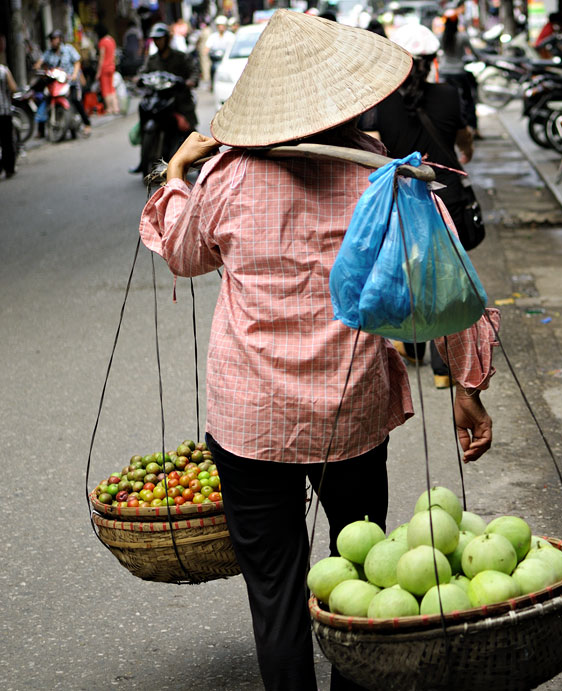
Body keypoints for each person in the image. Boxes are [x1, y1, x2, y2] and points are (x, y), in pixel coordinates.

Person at [138, 11, 496, 690]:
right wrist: (469, 384)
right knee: (362, 578)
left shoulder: (227, 177)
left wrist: (178, 173)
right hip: (351, 413)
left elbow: (182, 254)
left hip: (250, 423)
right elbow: (448, 281)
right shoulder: (384, 177)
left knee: (275, 591)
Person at [360, 23, 479, 389]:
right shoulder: (447, 94)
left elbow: (373, 153)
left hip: (403, 203)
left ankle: (413, 348)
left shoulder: (379, 101)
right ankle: (445, 369)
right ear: (432, 61)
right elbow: (464, 142)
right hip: (449, 200)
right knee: (445, 278)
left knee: (410, 275)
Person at [130, 23, 199, 175]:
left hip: (178, 99)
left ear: (167, 39)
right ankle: (144, 160)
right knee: (143, 109)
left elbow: (193, 71)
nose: (158, 42)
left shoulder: (180, 57)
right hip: (158, 98)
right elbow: (143, 72)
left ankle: (201, 160)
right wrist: (138, 79)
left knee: (189, 129)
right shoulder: (152, 59)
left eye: (160, 39)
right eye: (155, 39)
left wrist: (190, 81)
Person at [35, 30, 91, 136]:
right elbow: (40, 62)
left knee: (75, 100)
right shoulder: (48, 53)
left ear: (60, 39)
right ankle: (40, 130)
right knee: (44, 100)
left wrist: (74, 75)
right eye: (51, 40)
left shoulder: (68, 50)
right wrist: (38, 66)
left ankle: (87, 124)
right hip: (55, 83)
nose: (52, 42)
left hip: (70, 82)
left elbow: (77, 62)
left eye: (54, 39)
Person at [439, 10, 478, 134]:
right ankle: (474, 128)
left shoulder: (440, 37)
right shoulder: (463, 36)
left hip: (444, 73)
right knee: (468, 100)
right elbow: (474, 52)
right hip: (459, 73)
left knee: (443, 100)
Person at [0, 42, 18, 179]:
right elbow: (13, 88)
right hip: (4, 111)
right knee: (7, 141)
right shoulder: (3, 71)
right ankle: (9, 169)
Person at [204, 16, 235, 89]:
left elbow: (233, 46)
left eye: (222, 25)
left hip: (227, 58)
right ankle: (212, 84)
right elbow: (207, 47)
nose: (221, 27)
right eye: (219, 25)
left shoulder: (230, 36)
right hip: (216, 59)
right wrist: (207, 52)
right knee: (213, 68)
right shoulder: (213, 36)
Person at [96, 24, 119, 116]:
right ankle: (116, 108)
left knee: (105, 89)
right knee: (111, 88)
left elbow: (101, 58)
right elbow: (114, 55)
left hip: (104, 68)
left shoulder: (102, 42)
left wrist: (98, 72)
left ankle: (109, 108)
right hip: (112, 66)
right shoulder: (112, 40)